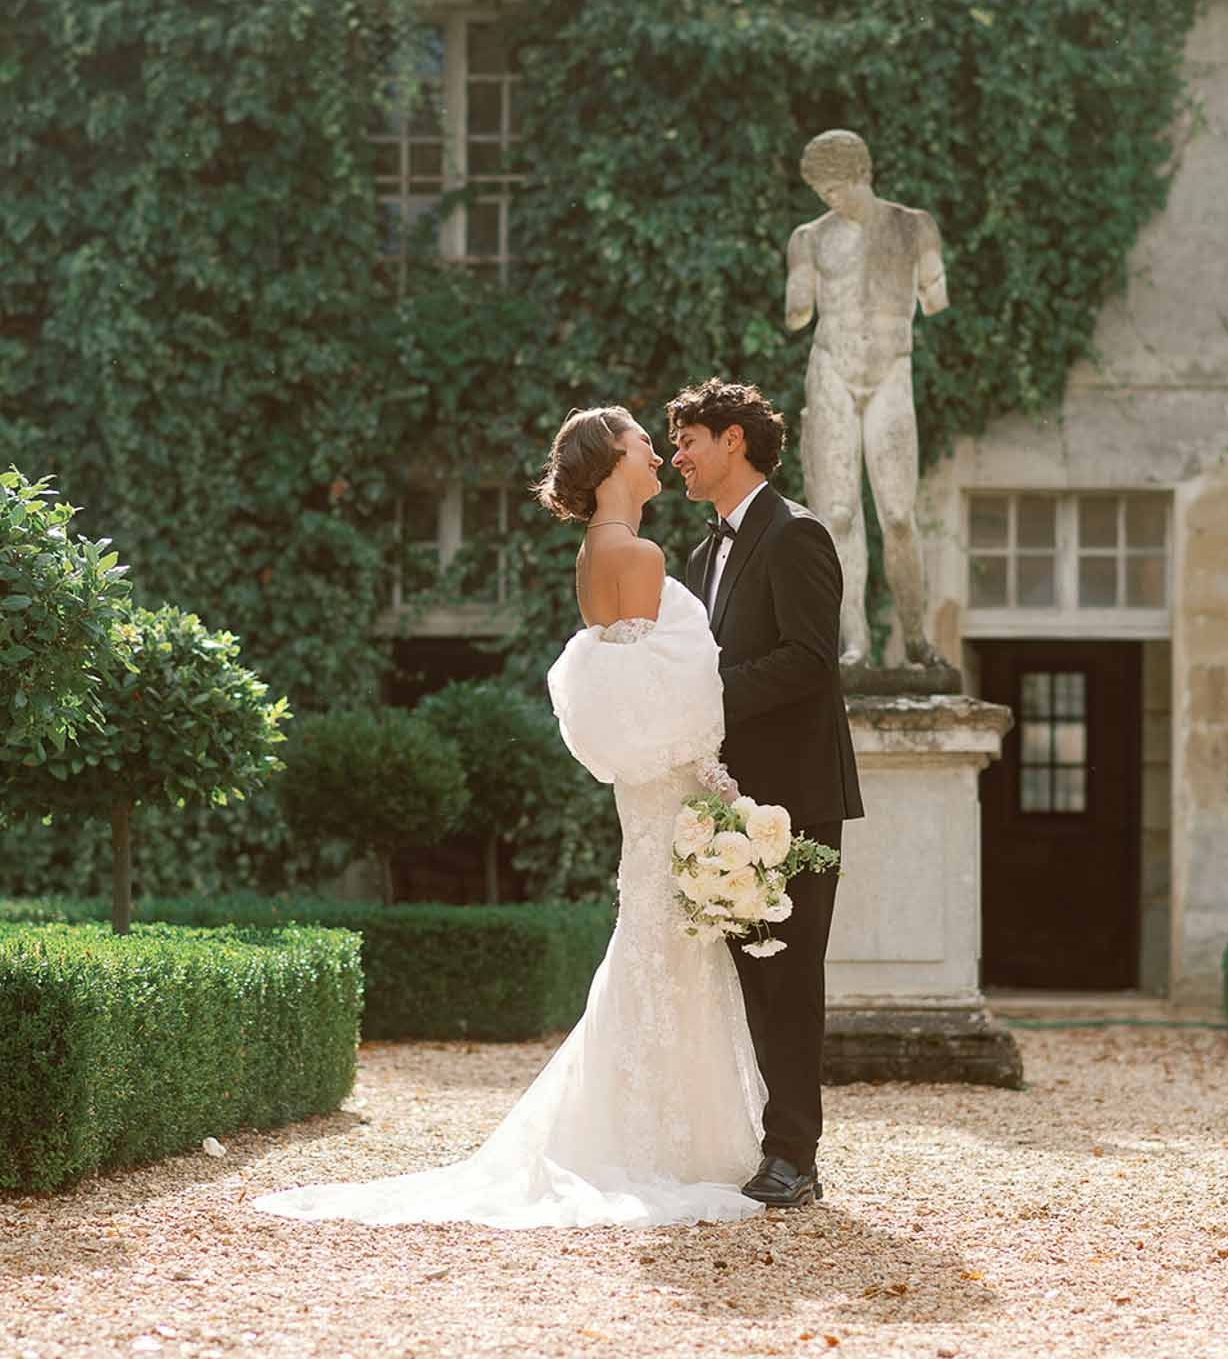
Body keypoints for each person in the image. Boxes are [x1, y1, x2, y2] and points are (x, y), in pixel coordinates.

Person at [255, 405, 767, 1230]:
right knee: (666, 955)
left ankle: (643, 1135)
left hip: (645, 795)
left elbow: (621, 691)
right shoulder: (635, 552)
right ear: (612, 461)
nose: (656, 452)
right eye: (643, 440)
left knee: (651, 950)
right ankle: (663, 1149)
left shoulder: (593, 554)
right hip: (671, 786)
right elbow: (654, 694)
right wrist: (718, 781)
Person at [669, 377, 863, 1211]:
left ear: (733, 442)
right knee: (742, 980)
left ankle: (796, 1156)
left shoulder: (797, 535)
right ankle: (752, 1137)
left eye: (687, 441)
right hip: (725, 800)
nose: (677, 456)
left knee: (789, 979)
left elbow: (813, 657)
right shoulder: (701, 554)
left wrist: (708, 695)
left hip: (796, 800)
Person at [787, 129, 948, 668]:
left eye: (836, 187)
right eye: (821, 190)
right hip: (832, 369)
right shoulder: (809, 238)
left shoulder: (912, 227)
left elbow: (935, 296)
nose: (828, 199)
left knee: (899, 514)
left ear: (863, 174)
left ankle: (915, 637)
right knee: (836, 513)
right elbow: (799, 313)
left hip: (889, 371)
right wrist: (798, 291)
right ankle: (854, 639)